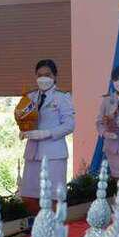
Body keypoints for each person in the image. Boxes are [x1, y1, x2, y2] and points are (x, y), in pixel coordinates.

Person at [19, 59, 75, 215]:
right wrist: (23, 129)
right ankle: (37, 227)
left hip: (53, 154)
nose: (43, 78)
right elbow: (23, 117)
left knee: (52, 198)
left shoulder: (62, 97)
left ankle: (53, 229)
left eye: (47, 75)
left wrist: (47, 133)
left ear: (55, 77)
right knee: (29, 198)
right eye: (39, 75)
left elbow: (69, 125)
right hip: (33, 153)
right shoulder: (30, 96)